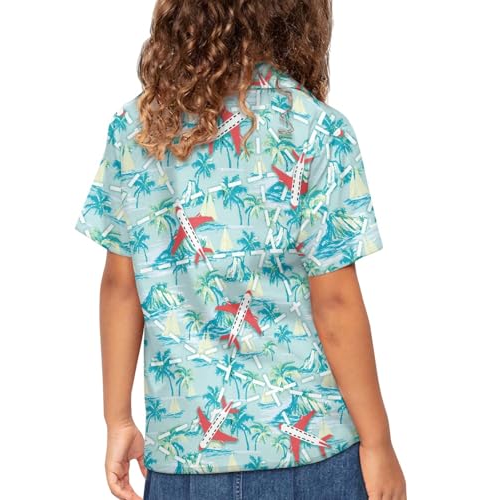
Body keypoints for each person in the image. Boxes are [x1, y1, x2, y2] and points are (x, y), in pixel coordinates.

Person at [73, 1, 407, 499]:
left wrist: (117, 419)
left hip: (183, 459)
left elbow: (121, 288)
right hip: (310, 455)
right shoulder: (318, 130)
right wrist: (378, 443)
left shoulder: (138, 128)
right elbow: (335, 303)